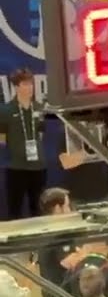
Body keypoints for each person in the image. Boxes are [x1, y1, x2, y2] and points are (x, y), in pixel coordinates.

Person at [2, 68, 47, 219]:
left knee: (39, 208)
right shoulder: (6, 110)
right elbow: (1, 137)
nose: (30, 87)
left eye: (31, 84)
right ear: (16, 87)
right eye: (25, 84)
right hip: (16, 167)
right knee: (15, 209)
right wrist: (14, 150)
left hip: (37, 166)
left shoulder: (39, 108)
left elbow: (41, 132)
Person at [36, 187, 78, 297]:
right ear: (58, 208)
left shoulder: (43, 230)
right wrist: (93, 252)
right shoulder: (58, 234)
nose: (71, 210)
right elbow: (69, 262)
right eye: (67, 206)